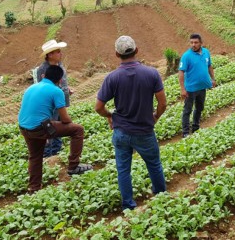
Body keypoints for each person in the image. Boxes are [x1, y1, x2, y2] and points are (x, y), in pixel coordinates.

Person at [95, 36, 167, 210]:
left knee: (123, 170)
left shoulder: (112, 77)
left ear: (116, 54)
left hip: (121, 132)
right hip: (144, 131)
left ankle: (128, 205)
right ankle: (161, 197)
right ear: (136, 50)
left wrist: (110, 115)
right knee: (154, 164)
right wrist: (155, 116)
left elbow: (98, 107)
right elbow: (163, 103)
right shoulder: (152, 73)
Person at [18, 65, 92, 193]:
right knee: (78, 130)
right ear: (60, 80)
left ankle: (34, 188)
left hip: (24, 126)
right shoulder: (56, 91)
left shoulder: (31, 87)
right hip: (40, 127)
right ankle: (74, 166)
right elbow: (64, 118)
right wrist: (68, 124)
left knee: (35, 156)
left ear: (43, 76)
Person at [36, 39, 74, 157]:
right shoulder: (42, 70)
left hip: (60, 102)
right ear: (50, 54)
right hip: (50, 105)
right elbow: (43, 89)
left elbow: (61, 83)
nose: (60, 53)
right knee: (49, 128)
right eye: (58, 51)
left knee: (59, 126)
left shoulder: (60, 65)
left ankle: (57, 153)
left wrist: (67, 90)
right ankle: (47, 155)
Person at [178, 33, 216, 138]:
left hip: (202, 87)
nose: (193, 45)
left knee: (199, 108)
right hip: (190, 89)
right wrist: (182, 89)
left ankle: (195, 127)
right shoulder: (186, 56)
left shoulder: (206, 52)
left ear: (201, 43)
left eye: (196, 42)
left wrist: (213, 79)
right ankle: (185, 132)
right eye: (191, 42)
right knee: (187, 110)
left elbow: (209, 66)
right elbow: (181, 72)